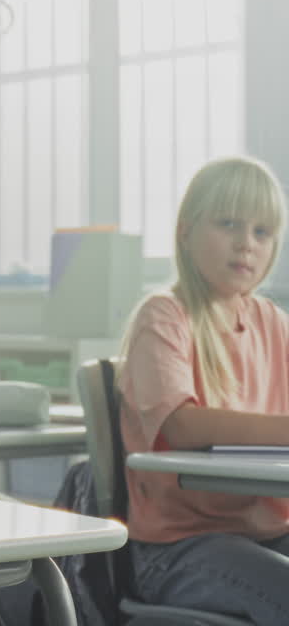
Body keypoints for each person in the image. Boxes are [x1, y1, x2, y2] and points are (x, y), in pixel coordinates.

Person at [118, 156, 289, 625]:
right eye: (228, 223)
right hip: (178, 549)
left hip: (267, 533)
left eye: (261, 232)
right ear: (186, 232)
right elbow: (183, 425)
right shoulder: (164, 316)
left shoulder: (271, 322)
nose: (245, 244)